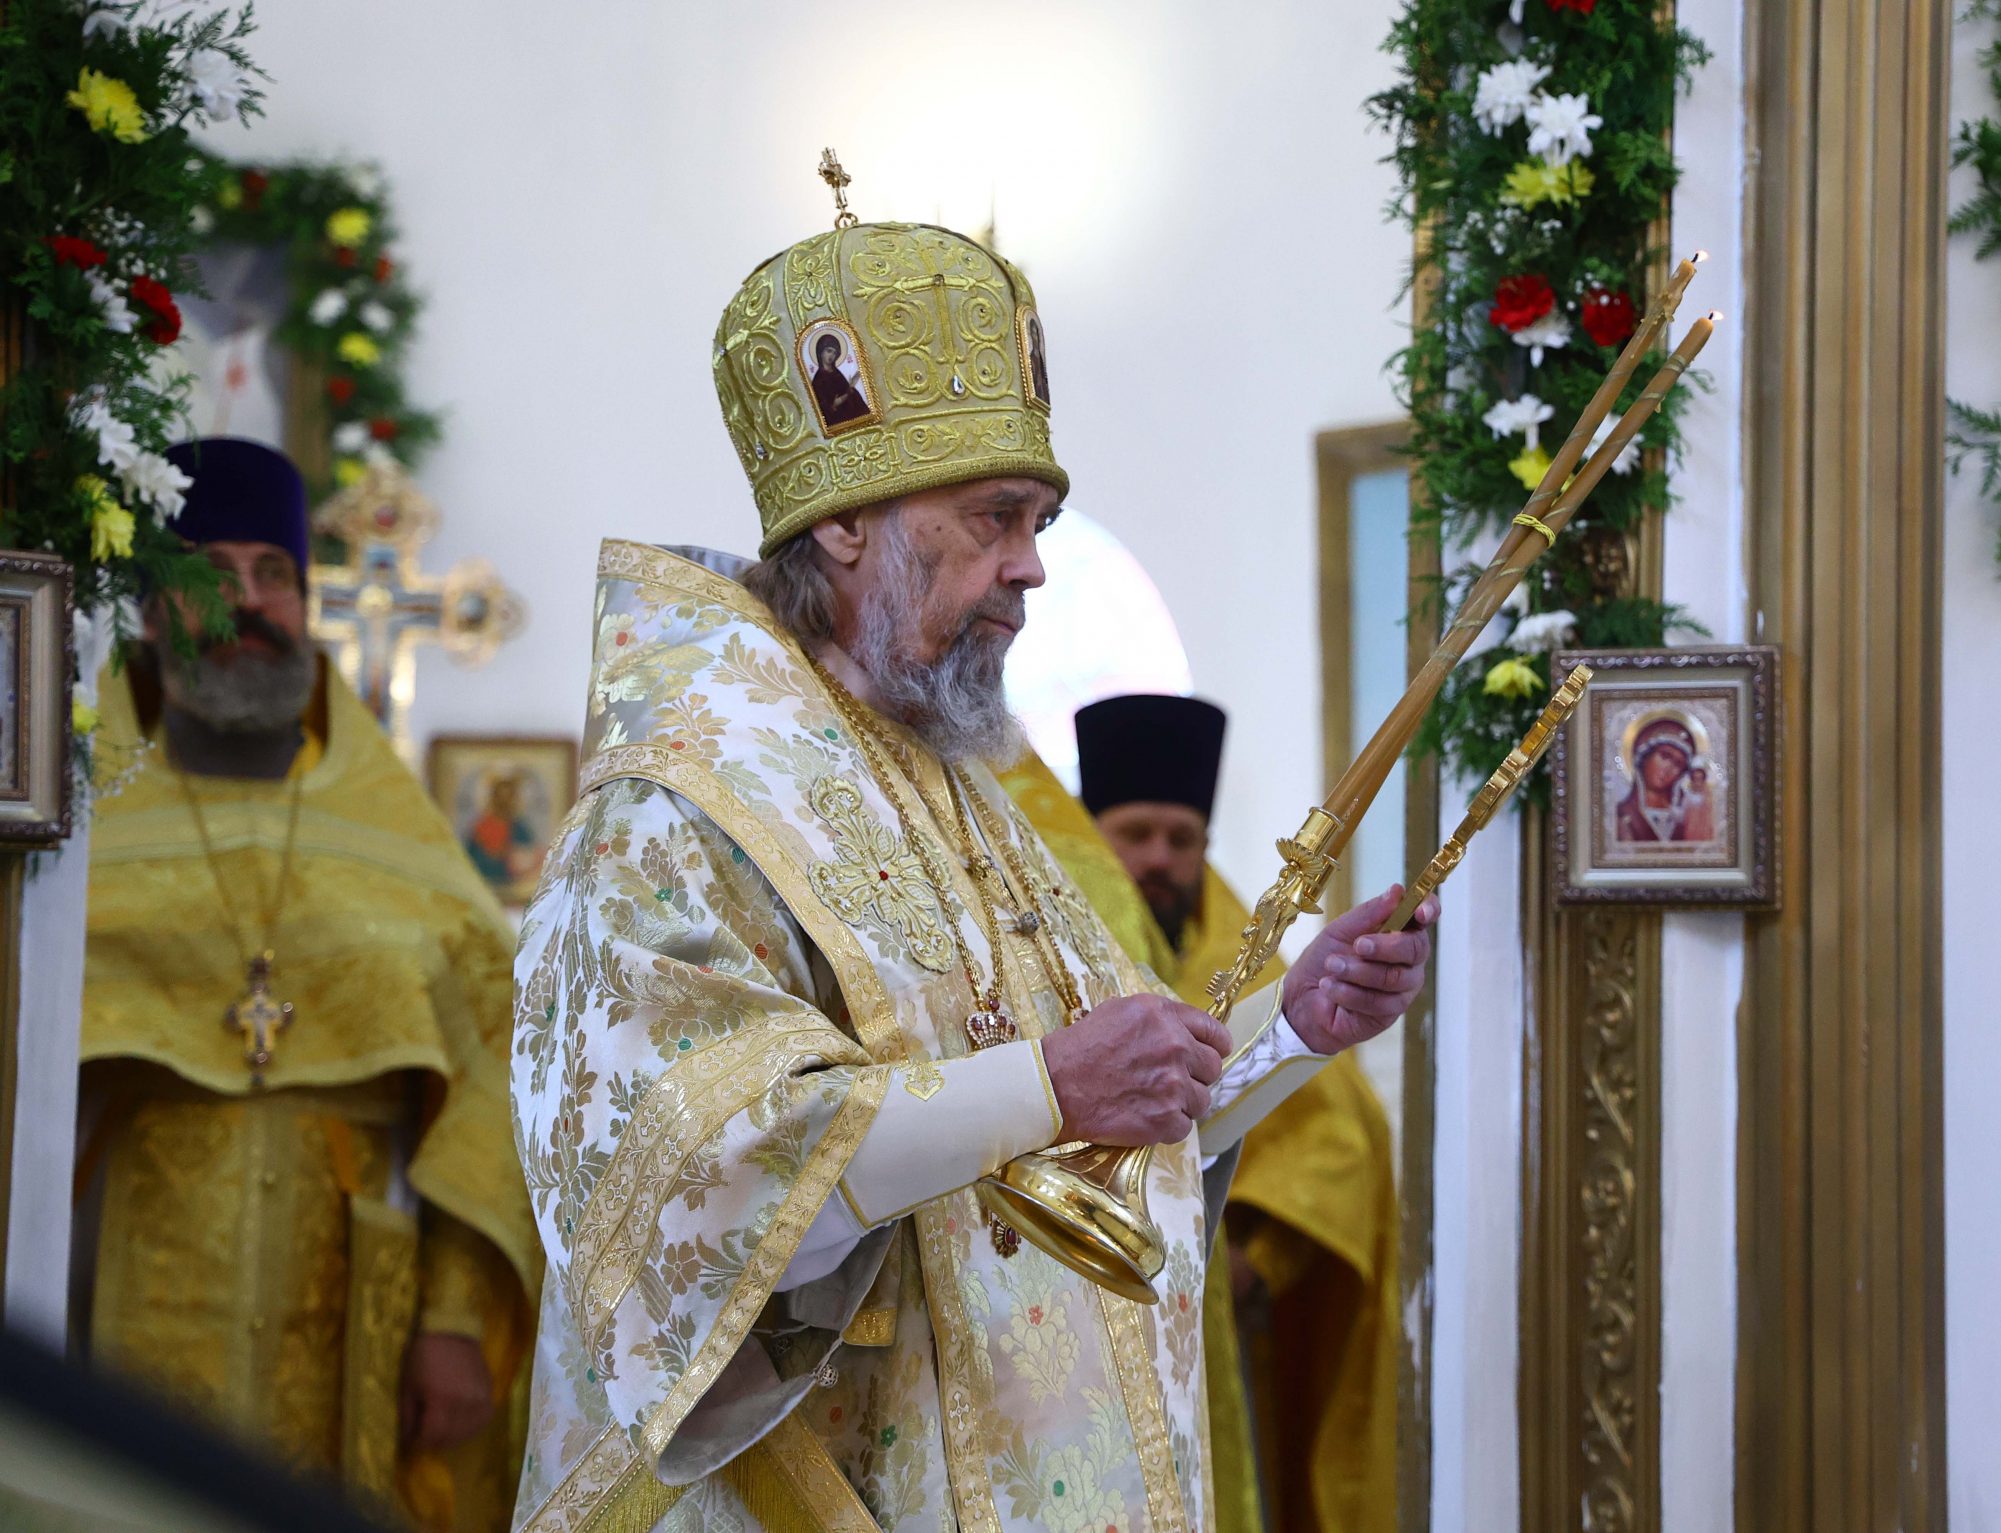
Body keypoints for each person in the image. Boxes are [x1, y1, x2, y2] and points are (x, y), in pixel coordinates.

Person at [510, 216, 1435, 1532]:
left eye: (1037, 520)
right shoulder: (677, 809)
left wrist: (1290, 1023)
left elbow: (1101, 1127)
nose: (1031, 564)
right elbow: (694, 1184)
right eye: (996, 517)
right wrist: (1049, 1084)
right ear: (845, 524)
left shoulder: (960, 790)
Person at [76, 438, 540, 1531]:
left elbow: (491, 1077)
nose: (247, 602)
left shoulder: (392, 830)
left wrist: (455, 1319)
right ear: (151, 609)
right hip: (105, 1274)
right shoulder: (82, 814)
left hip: (355, 1302)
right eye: (210, 572)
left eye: (272, 573)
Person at [1073, 693, 1400, 1533]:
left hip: (1209, 1314)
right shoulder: (1054, 944)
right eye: (1136, 833)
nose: (1160, 857)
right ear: (1090, 838)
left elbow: (1339, 1138)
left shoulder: (1245, 956)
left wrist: (1260, 1255)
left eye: (1182, 838)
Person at [1612, 713, 1714, 844]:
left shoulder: (1688, 810)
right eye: (1665, 756)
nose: (1668, 768)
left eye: (1678, 764)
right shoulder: (1623, 813)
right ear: (1645, 756)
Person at [807, 330, 872, 427]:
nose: (832, 356)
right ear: (820, 352)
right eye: (829, 351)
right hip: (838, 421)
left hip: (852, 414)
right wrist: (848, 393)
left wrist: (851, 388)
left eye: (834, 353)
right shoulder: (818, 380)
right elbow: (829, 407)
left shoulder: (837, 373)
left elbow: (849, 394)